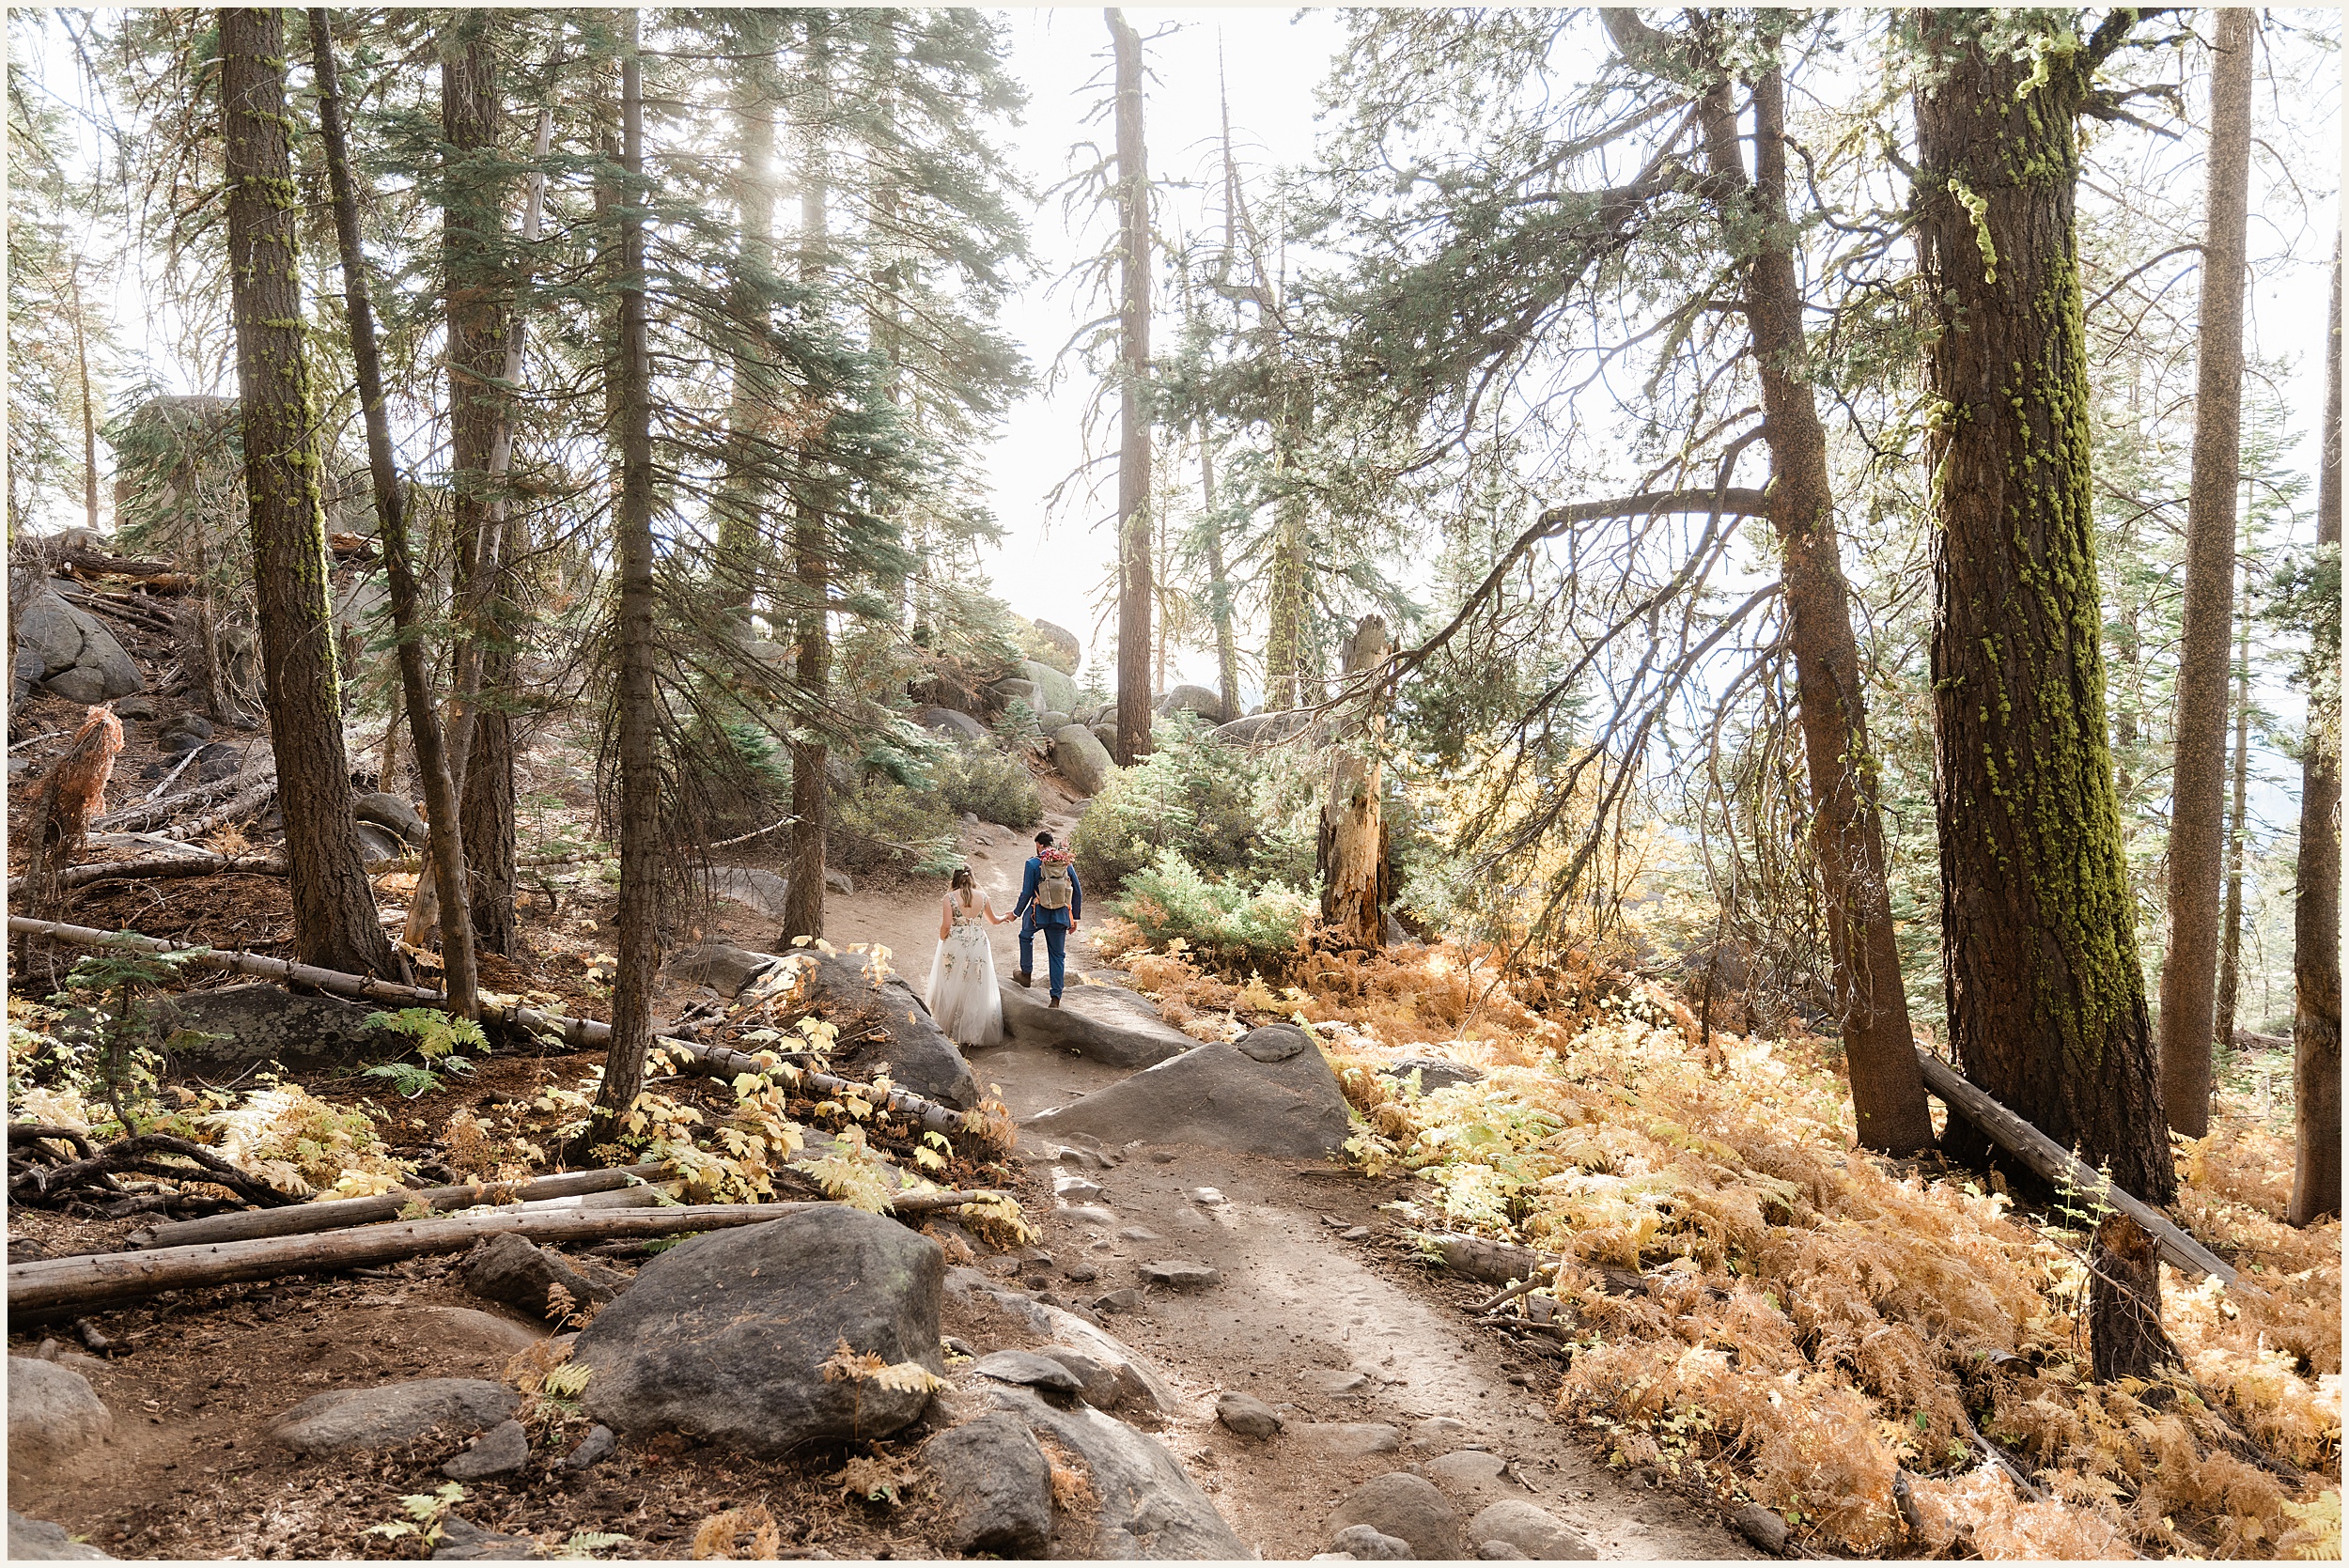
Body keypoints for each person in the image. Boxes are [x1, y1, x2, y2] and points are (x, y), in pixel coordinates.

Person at [926, 866, 1008, 1048]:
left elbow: (946, 926)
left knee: (951, 981)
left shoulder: (949, 898)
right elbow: (994, 921)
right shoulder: (983, 896)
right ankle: (972, 1032)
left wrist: (942, 938)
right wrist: (1006, 917)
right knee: (976, 982)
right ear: (972, 877)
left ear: (954, 879)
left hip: (955, 943)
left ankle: (948, 1028)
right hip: (978, 942)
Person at [1010, 829, 1082, 1007]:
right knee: (1057, 955)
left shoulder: (1033, 863)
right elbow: (1078, 892)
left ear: (1039, 845)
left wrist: (1016, 913)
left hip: (1038, 913)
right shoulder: (1065, 863)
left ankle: (1026, 974)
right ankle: (1055, 998)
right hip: (1060, 915)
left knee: (1025, 936)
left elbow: (1027, 893)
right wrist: (1075, 918)